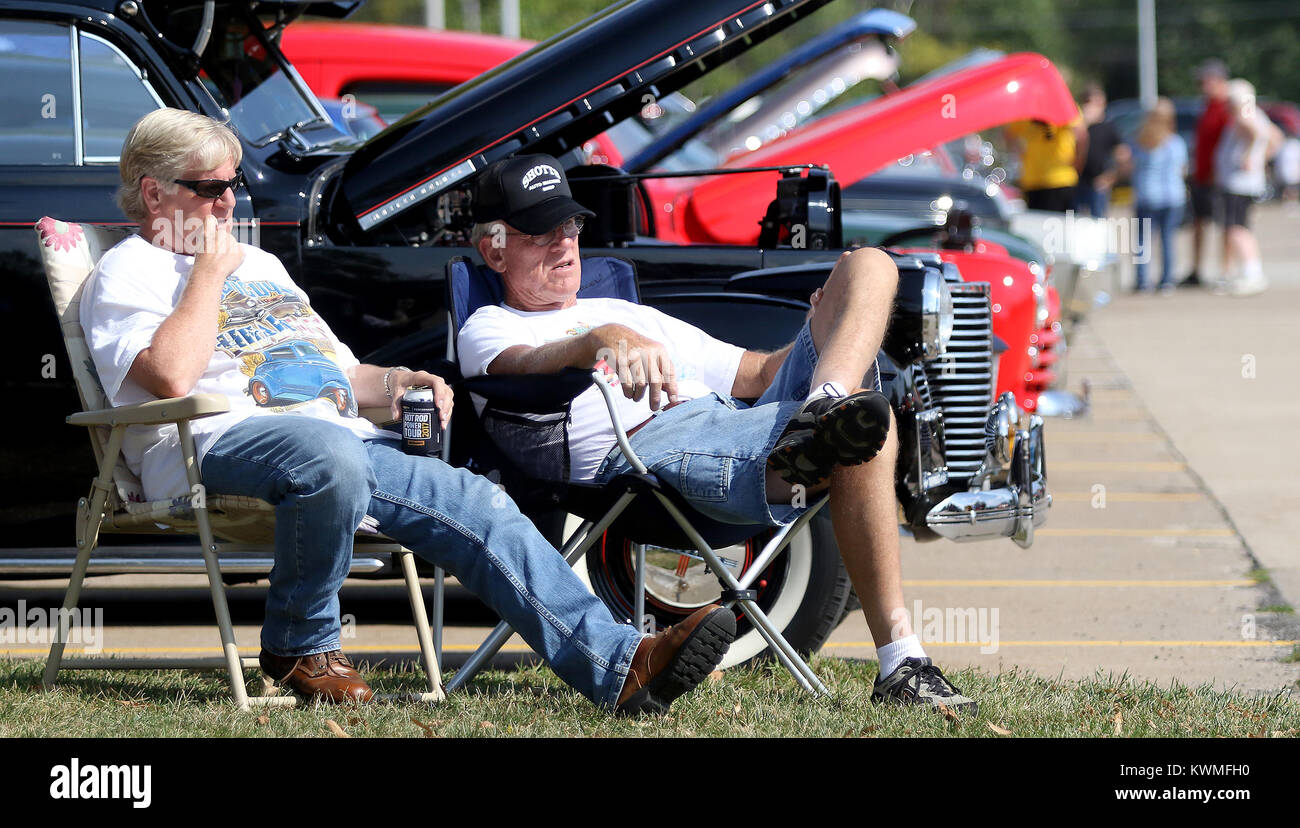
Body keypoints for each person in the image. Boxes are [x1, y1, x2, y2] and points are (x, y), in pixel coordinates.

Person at [81, 108, 735, 715]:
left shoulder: (261, 264)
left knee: (480, 502)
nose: (227, 202)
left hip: (336, 440)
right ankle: (299, 644)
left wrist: (397, 382)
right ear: (153, 192)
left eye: (233, 185)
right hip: (215, 445)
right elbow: (168, 374)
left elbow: (335, 375)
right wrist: (206, 275)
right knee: (329, 454)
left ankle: (621, 664)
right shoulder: (125, 273)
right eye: (207, 188)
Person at [458, 154, 979, 714]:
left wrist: (821, 330)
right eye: (541, 232)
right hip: (648, 453)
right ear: (494, 248)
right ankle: (901, 659)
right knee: (865, 432)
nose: (563, 244)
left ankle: (824, 409)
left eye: (570, 226)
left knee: (871, 266)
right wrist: (597, 341)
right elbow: (521, 366)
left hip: (734, 417)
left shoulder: (624, 310)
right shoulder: (489, 326)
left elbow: (755, 374)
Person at [1213, 79, 1279, 296]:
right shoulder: (1257, 114)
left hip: (1238, 182)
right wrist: (1262, 157)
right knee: (1241, 228)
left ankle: (1252, 273)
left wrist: (1249, 155)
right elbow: (1275, 137)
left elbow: (1254, 133)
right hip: (1243, 181)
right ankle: (1249, 272)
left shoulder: (1245, 114)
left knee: (1236, 228)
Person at [1126, 98, 1188, 293]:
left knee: (1143, 242)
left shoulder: (1139, 141)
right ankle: (1167, 280)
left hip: (1146, 195)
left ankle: (1143, 281)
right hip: (1172, 196)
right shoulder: (1175, 142)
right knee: (1168, 240)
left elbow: (1129, 167)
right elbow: (1182, 169)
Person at [1182, 59, 1231, 289]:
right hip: (1200, 176)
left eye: (1206, 80)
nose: (1202, 85)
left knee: (1225, 225)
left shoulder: (1227, 107)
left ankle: (1225, 271)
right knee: (1198, 224)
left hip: (1218, 178)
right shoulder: (1207, 106)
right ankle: (1196, 270)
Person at [1005, 110, 1088, 212]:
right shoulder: (1026, 108)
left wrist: (1078, 161)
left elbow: (1081, 134)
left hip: (1060, 178)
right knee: (1039, 224)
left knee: (1058, 223)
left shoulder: (1062, 104)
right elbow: (1008, 134)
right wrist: (1018, 152)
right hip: (1034, 180)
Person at [1075, 84, 1129, 217]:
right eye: (1088, 102)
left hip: (1097, 185)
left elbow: (1123, 156)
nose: (1092, 107)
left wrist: (1110, 178)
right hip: (1076, 183)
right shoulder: (1077, 127)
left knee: (1098, 224)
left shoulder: (1109, 128)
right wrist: (1083, 125)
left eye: (1096, 102)